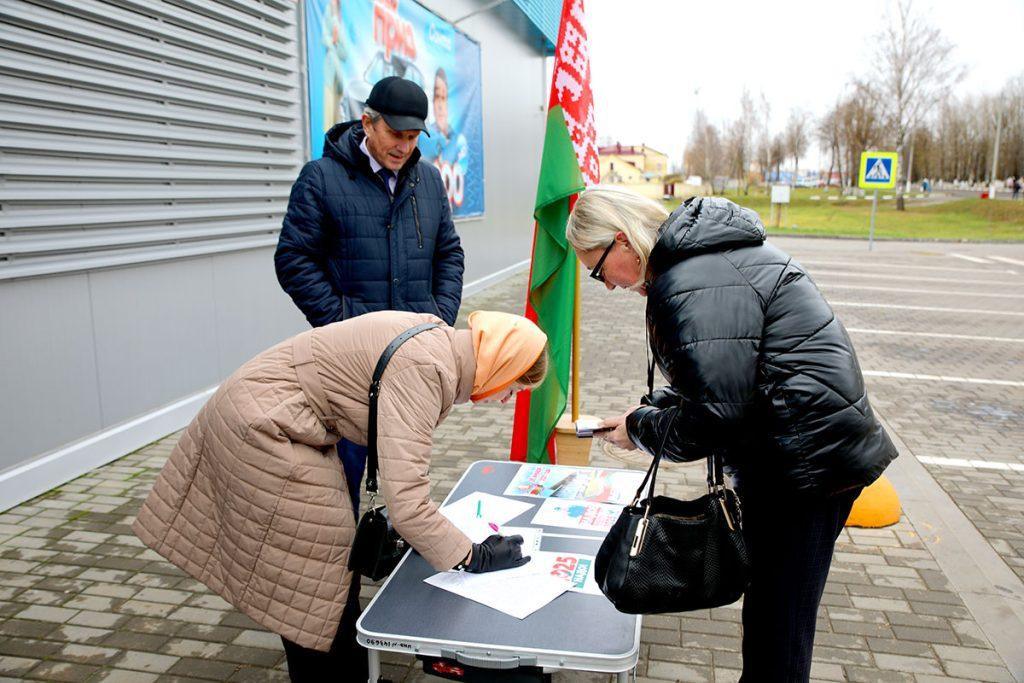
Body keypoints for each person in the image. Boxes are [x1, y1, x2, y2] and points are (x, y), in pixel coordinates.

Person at [564, 187, 898, 683]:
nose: (607, 286)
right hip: (808, 457)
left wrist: (640, 429)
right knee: (772, 619)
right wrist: (647, 412)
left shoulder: (688, 280)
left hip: (806, 470)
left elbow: (715, 418)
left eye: (598, 270)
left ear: (623, 241)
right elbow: (726, 381)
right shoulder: (707, 259)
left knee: (777, 632)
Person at [133, 310, 548, 681]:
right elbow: (407, 505)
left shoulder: (438, 343)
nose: (505, 401)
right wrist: (474, 556)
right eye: (511, 388)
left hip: (277, 415)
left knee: (324, 561)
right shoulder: (425, 369)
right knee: (313, 565)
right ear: (498, 366)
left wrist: (442, 541)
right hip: (263, 428)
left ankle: (348, 670)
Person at [276, 75, 466, 522]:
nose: (404, 146)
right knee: (341, 485)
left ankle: (396, 556)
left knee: (406, 475)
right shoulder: (321, 180)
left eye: (413, 136)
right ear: (367, 123)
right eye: (395, 134)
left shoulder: (429, 182)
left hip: (413, 360)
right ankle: (339, 587)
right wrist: (341, 321)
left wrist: (438, 319)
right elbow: (294, 259)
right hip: (349, 364)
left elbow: (450, 254)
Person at [422, 67, 469, 210]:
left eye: (444, 98)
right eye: (437, 97)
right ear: (432, 102)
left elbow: (461, 169)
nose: (441, 105)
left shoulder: (459, 141)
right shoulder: (422, 136)